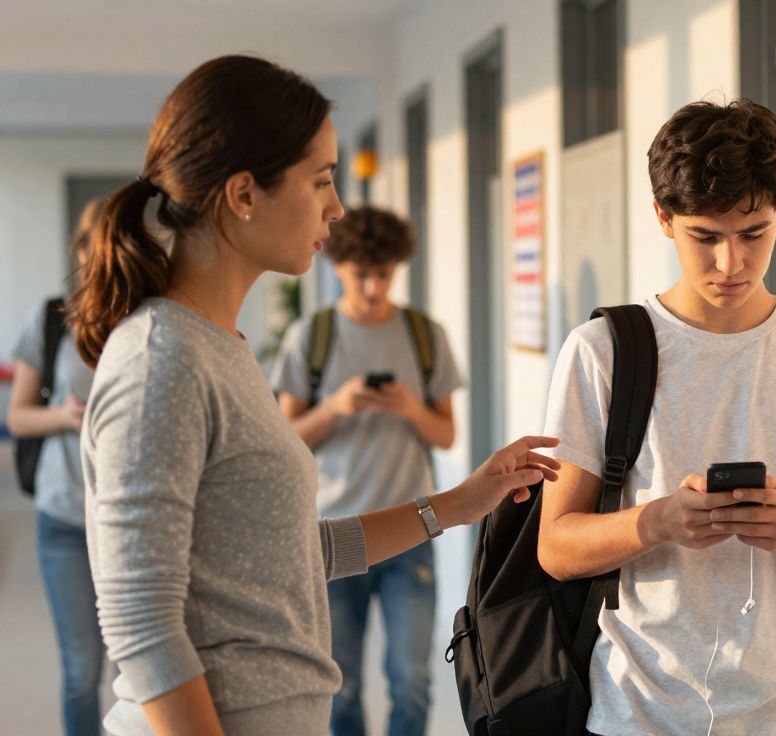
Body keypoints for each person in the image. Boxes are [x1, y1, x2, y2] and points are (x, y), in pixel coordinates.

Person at [67, 54, 558, 736]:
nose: (338, 205)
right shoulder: (162, 361)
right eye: (321, 180)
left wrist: (458, 502)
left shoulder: (218, 346)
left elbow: (288, 555)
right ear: (244, 195)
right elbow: (141, 621)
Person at [537, 99, 776, 736]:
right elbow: (556, 549)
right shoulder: (601, 353)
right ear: (663, 218)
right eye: (704, 236)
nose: (730, 263)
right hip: (640, 714)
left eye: (753, 233)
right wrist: (658, 521)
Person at [272, 205, 461, 735]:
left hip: (413, 528)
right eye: (362, 274)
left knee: (411, 679)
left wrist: (410, 409)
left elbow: (446, 434)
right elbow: (285, 439)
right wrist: (334, 408)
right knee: (340, 680)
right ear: (337, 266)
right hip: (331, 534)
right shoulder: (312, 336)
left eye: (385, 274)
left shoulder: (425, 335)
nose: (375, 287)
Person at [7, 197, 105, 735]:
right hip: (65, 517)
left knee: (145, 670)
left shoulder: (152, 318)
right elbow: (19, 418)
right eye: (96, 244)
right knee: (80, 672)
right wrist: (68, 418)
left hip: (136, 522)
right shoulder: (51, 319)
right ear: (81, 249)